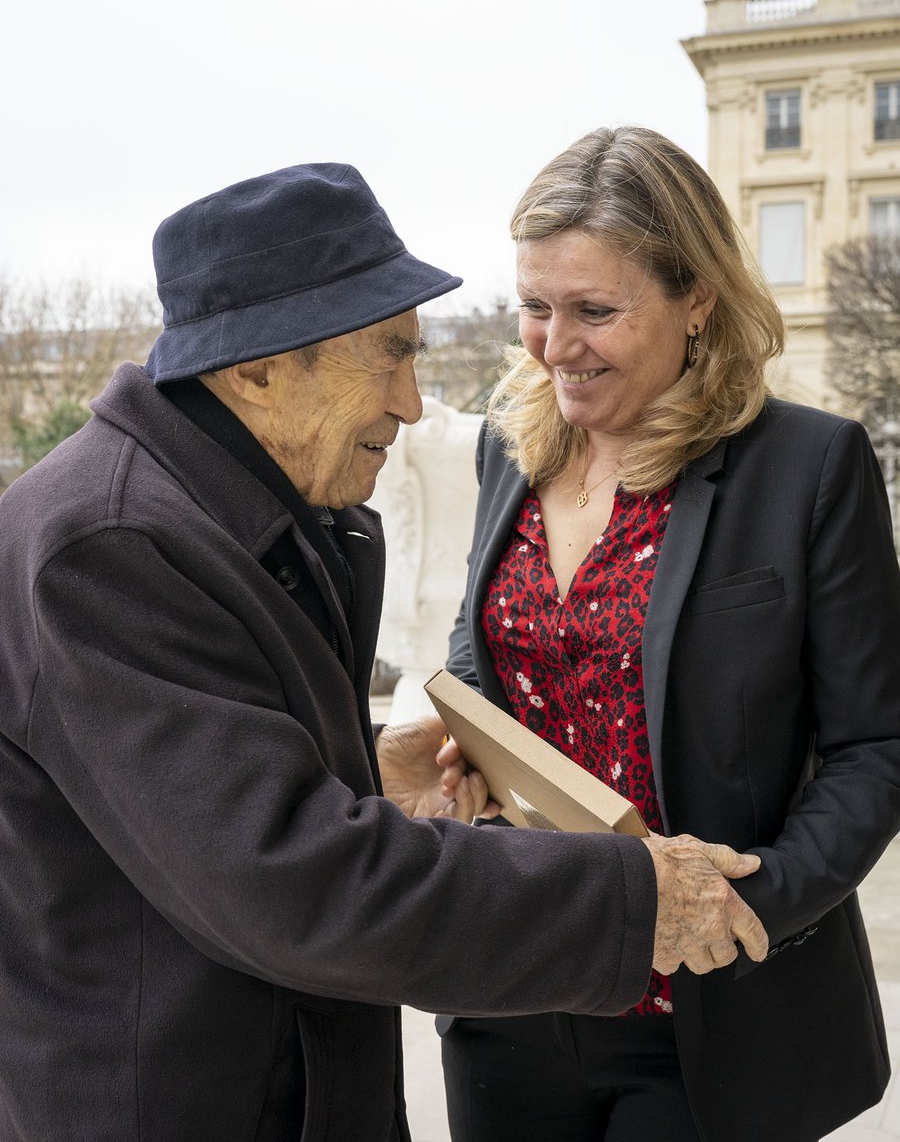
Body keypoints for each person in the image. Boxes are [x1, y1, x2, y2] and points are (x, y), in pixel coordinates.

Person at [0, 162, 768, 1142]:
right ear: (257, 369)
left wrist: (356, 771)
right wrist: (632, 901)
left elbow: (205, 801)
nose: (413, 403)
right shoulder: (105, 550)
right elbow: (291, 885)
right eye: (390, 356)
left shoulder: (241, 513)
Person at [439, 126, 900, 1142]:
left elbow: (875, 748)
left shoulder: (810, 467)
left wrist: (754, 907)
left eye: (595, 311)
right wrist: (453, 744)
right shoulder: (502, 452)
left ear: (696, 299)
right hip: (512, 990)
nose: (556, 346)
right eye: (535, 307)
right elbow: (493, 653)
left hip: (711, 1019)